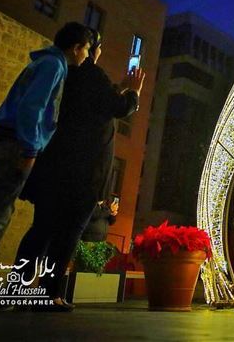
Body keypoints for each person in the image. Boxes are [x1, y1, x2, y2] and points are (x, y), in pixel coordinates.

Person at [0, 22, 92, 309]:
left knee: (1, 211)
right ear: (76, 48)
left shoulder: (45, 62)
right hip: (14, 143)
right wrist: (30, 147)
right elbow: (32, 107)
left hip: (6, 139)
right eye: (86, 49)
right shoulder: (54, 66)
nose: (86, 56)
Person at [15, 30, 145, 311]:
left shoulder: (69, 76)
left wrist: (118, 87)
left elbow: (95, 105)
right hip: (83, 174)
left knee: (42, 229)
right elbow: (119, 108)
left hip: (54, 167)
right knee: (68, 233)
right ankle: (50, 294)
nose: (90, 53)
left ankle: (19, 288)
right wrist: (133, 93)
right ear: (83, 48)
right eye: (90, 47)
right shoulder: (91, 74)